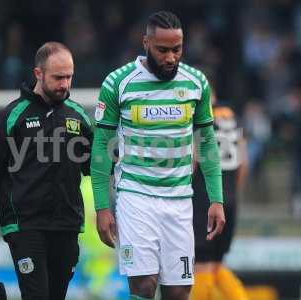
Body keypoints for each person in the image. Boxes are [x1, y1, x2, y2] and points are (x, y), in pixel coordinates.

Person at [90, 11, 225, 300]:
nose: (171, 57)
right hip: (135, 198)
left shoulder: (196, 82)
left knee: (178, 292)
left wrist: (216, 199)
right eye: (162, 50)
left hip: (179, 200)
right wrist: (102, 206)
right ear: (145, 43)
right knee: (143, 286)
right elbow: (101, 146)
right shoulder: (118, 83)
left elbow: (208, 143)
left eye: (177, 49)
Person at [0, 42, 93, 300]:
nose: (65, 84)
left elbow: (95, 169)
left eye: (69, 77)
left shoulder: (78, 117)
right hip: (24, 226)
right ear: (38, 74)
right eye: (58, 77)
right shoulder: (12, 117)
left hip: (66, 225)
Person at [190, 94, 249, 300]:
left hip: (204, 200)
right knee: (216, 265)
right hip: (230, 199)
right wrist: (232, 193)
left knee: (201, 265)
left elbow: (194, 159)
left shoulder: (200, 116)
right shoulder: (232, 116)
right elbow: (244, 159)